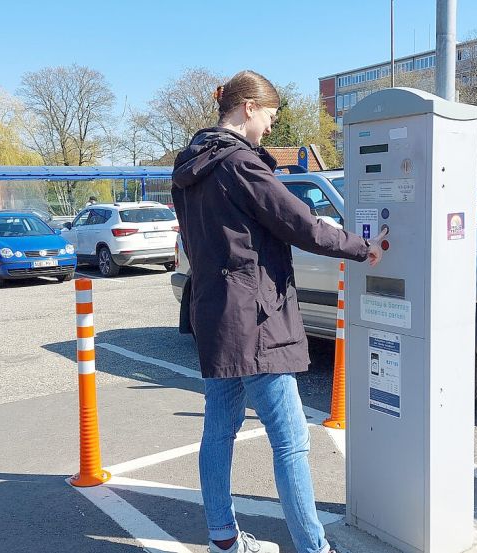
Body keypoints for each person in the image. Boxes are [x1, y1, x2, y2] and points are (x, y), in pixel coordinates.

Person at [172, 70, 387, 553]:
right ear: (247, 107)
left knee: (219, 433)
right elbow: (300, 223)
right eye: (269, 116)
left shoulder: (189, 166)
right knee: (291, 441)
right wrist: (361, 246)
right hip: (257, 321)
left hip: (215, 313)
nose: (270, 127)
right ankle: (315, 547)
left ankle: (223, 539)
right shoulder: (239, 165)